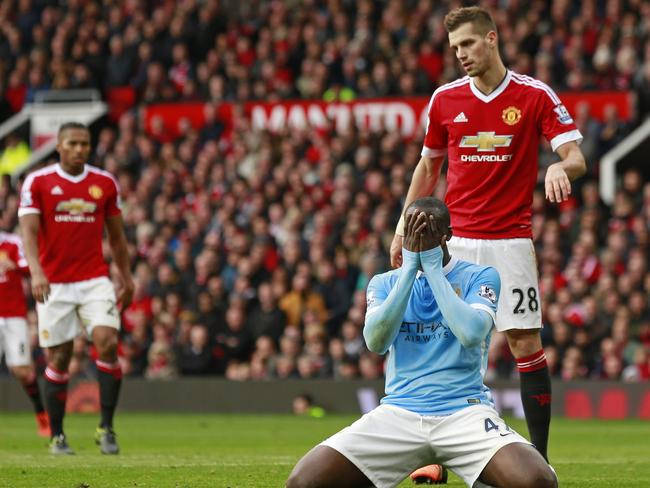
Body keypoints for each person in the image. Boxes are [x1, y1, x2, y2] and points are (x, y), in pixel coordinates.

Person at [390, 6, 586, 472]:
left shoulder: (533, 95)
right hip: (452, 245)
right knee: (445, 345)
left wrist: (560, 166)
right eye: (456, 47)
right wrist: (402, 225)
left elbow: (575, 155)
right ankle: (433, 457)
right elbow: (428, 168)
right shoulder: (444, 99)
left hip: (510, 242)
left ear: (492, 39)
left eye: (469, 44)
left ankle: (539, 458)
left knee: (523, 343)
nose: (461, 54)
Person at [287, 198, 557, 488]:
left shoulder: (480, 276)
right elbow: (375, 342)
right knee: (303, 482)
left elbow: (471, 333)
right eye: (413, 230)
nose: (418, 238)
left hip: (464, 412)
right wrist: (409, 271)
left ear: (447, 236)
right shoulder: (384, 282)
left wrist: (433, 270)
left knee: (537, 482)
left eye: (426, 230)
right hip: (399, 413)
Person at [18, 122, 134, 455]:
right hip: (53, 283)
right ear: (58, 145)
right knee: (59, 356)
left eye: (85, 144)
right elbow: (27, 232)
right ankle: (57, 435)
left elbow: (117, 236)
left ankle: (107, 428)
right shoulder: (38, 182)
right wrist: (36, 273)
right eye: (73, 143)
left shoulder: (104, 182)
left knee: (107, 341)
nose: (80, 149)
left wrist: (125, 275)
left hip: (94, 279)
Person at [0, 230, 50, 437]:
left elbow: (33, 269)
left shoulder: (13, 243)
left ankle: (42, 417)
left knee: (22, 371)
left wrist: (16, 266)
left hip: (13, 316)